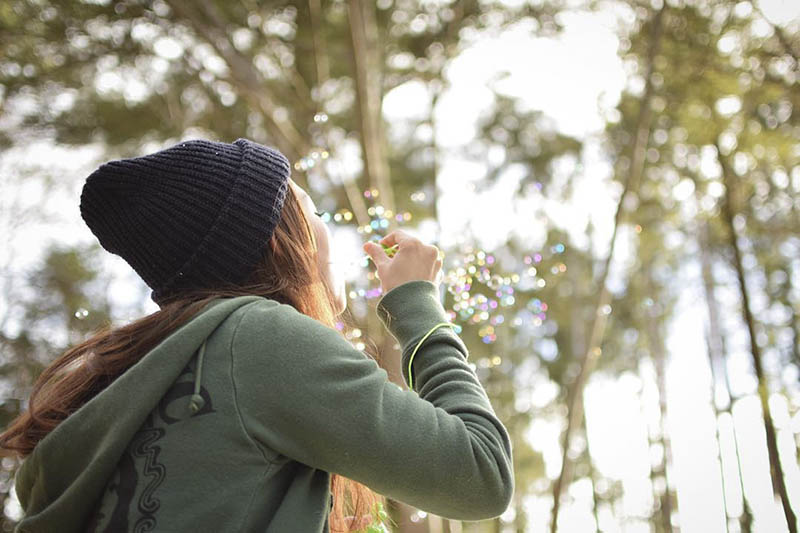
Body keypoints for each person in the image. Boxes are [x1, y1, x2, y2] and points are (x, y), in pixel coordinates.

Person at [0, 138, 514, 532]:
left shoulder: (136, 376)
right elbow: (481, 474)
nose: (328, 226)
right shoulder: (257, 338)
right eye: (313, 209)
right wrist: (419, 304)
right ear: (279, 237)